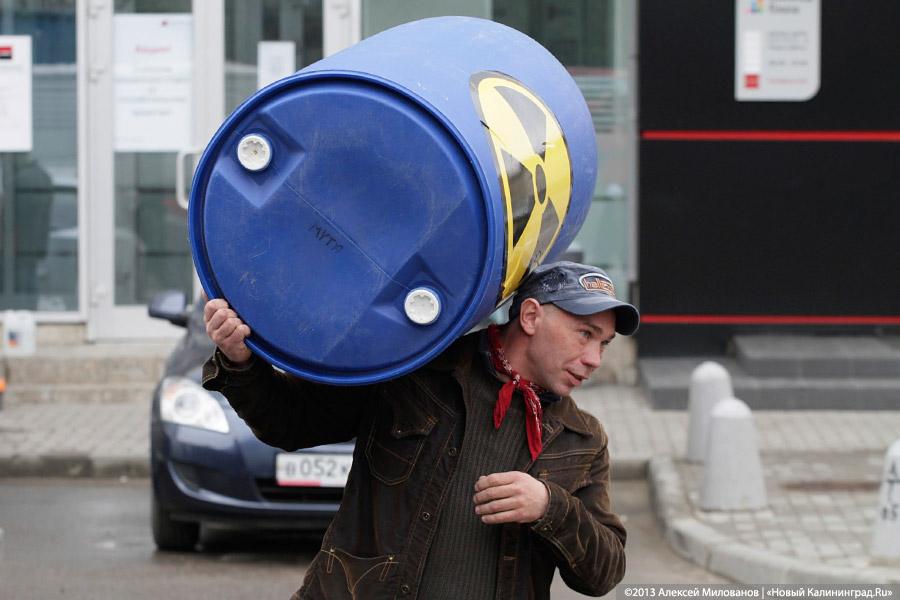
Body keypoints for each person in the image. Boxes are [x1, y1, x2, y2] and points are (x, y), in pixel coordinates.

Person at [202, 261, 640, 600]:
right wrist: (241, 361)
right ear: (529, 316)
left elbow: (603, 573)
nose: (594, 359)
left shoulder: (581, 438)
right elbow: (290, 423)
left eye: (603, 343)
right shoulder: (417, 366)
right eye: (584, 334)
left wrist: (551, 507)